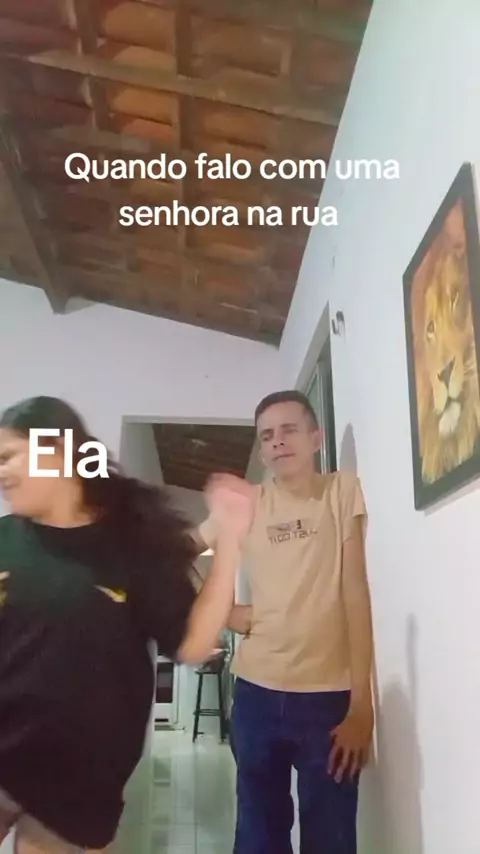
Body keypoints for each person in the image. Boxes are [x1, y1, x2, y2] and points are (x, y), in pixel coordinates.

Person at [0, 395, 255, 854]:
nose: (2, 472)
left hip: (78, 780)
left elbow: (193, 643)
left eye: (9, 456)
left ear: (57, 452)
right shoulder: (4, 540)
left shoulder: (133, 548)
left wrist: (230, 539)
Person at [195, 390, 375, 854]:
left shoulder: (341, 491)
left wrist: (362, 705)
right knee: (258, 837)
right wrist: (226, 612)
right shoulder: (247, 504)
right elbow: (173, 555)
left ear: (316, 438)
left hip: (329, 701)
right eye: (266, 436)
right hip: (256, 695)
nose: (277, 441)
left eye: (289, 430)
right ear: (261, 450)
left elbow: (356, 594)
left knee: (332, 837)